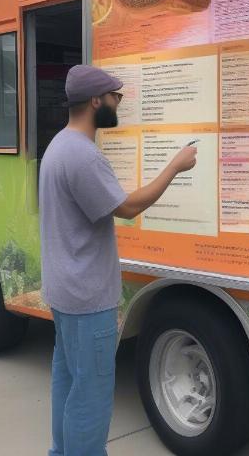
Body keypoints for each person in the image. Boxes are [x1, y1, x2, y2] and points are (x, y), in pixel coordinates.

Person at [39, 64, 197, 456]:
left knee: (69, 383)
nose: (118, 104)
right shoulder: (83, 156)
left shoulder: (59, 145)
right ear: (96, 101)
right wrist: (175, 167)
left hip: (64, 293)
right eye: (115, 97)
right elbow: (126, 206)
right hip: (87, 299)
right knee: (90, 397)